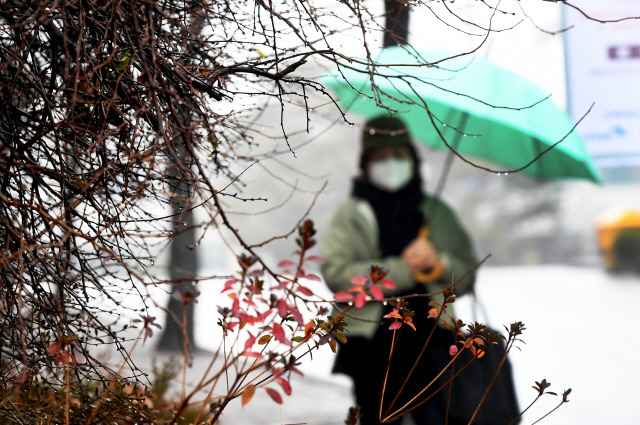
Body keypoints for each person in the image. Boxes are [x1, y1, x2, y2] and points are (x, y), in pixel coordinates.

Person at [321, 115, 478, 425]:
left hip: (432, 342)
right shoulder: (351, 214)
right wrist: (404, 270)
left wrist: (439, 264)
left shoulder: (437, 212)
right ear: (366, 163)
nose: (390, 163)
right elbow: (337, 274)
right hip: (370, 347)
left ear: (413, 159)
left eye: (398, 155)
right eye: (380, 156)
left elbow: (468, 274)